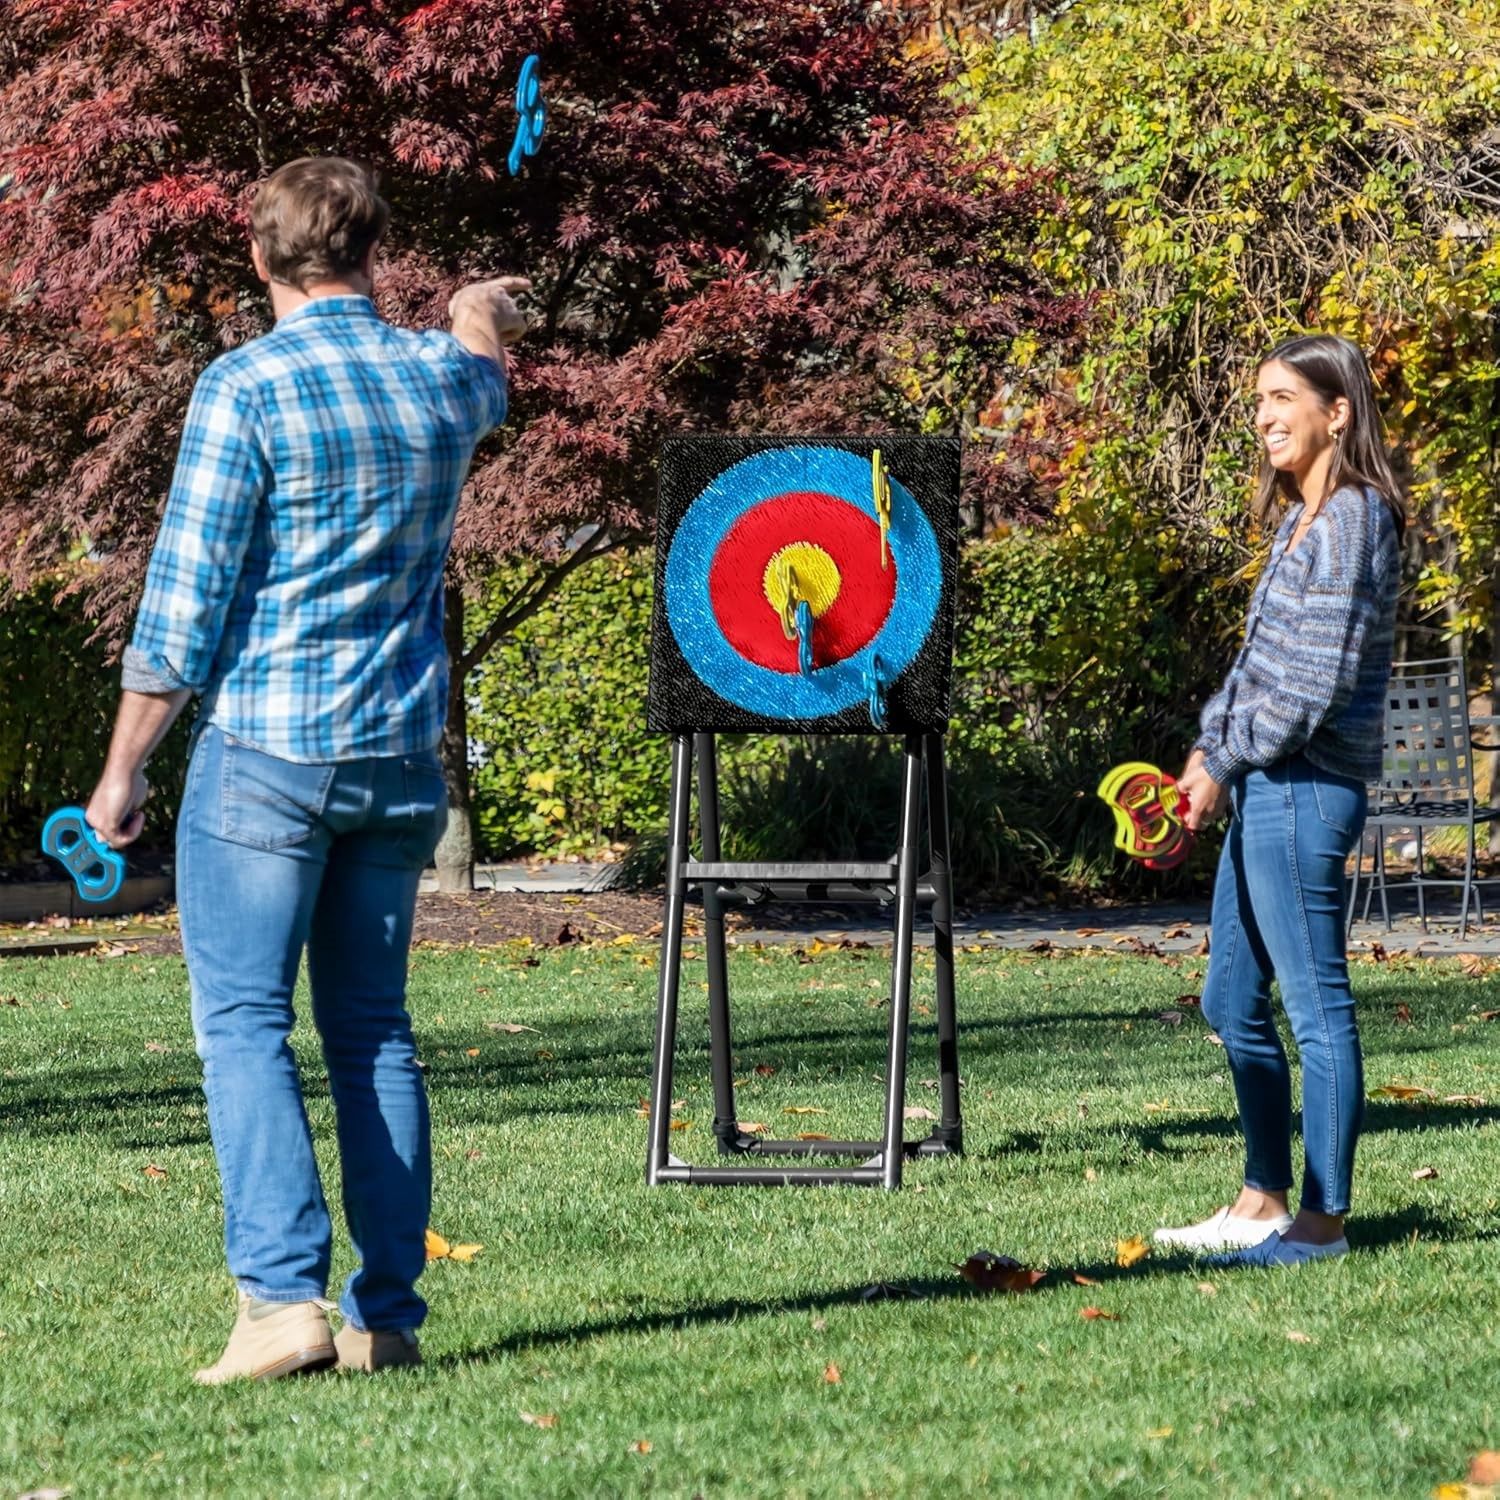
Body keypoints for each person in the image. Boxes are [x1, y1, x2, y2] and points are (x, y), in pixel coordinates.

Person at [83, 156, 529, 1380]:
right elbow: (484, 374)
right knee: (375, 1033)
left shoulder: (246, 389)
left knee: (242, 1023)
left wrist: (122, 772)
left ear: (260, 259)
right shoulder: (441, 382)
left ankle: (282, 1307)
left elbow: (182, 604)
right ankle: (386, 1316)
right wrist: (475, 315)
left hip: (269, 757)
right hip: (396, 759)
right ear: (373, 249)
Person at [1155, 333, 1404, 1267]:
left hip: (1305, 789)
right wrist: (1204, 756)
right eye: (1258, 399)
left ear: (1337, 412)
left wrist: (1229, 762)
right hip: (1264, 783)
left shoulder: (1353, 519)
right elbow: (1259, 667)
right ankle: (1262, 1200)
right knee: (1230, 999)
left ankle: (1323, 1223)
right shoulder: (1296, 522)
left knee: (1315, 1008)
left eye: (1281, 397)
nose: (1262, 416)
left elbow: (1314, 687)